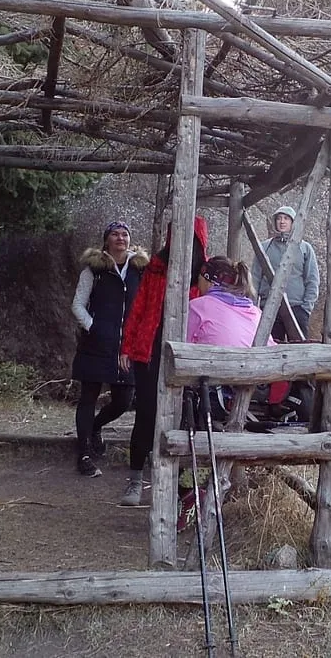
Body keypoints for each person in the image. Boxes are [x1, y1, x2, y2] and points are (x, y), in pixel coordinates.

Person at [115, 216, 208, 507]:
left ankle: (172, 485)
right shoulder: (156, 267)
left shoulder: (204, 274)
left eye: (190, 238)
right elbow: (139, 307)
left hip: (184, 353)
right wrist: (126, 347)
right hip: (149, 350)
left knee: (182, 419)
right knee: (146, 414)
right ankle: (134, 480)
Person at [70, 221, 148, 477]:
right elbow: (78, 304)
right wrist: (94, 327)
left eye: (124, 234)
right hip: (96, 345)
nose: (120, 238)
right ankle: (83, 454)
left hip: (128, 348)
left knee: (123, 401)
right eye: (115, 234)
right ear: (106, 240)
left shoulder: (140, 270)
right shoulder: (94, 270)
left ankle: (95, 427)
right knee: (88, 398)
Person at [251, 206, 320, 342]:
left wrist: (306, 308)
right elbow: (255, 278)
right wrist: (255, 307)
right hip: (269, 309)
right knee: (271, 348)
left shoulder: (305, 248)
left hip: (297, 308)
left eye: (286, 218)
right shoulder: (265, 247)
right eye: (279, 218)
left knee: (300, 351)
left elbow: (312, 279)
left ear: (293, 222)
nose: (282, 222)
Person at [189, 256, 262, 348]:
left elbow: (180, 342)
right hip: (263, 361)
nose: (198, 283)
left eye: (199, 277)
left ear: (207, 280)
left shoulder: (198, 307)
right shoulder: (256, 312)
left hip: (217, 361)